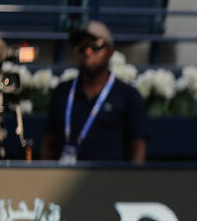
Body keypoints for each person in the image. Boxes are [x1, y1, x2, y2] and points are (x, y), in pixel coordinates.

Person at [40, 21, 147, 163]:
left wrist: (132, 182)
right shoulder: (63, 92)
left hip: (111, 179)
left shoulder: (128, 95)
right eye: (81, 47)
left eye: (95, 46)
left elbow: (138, 146)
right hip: (64, 178)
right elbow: (49, 142)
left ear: (110, 51)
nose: (87, 52)